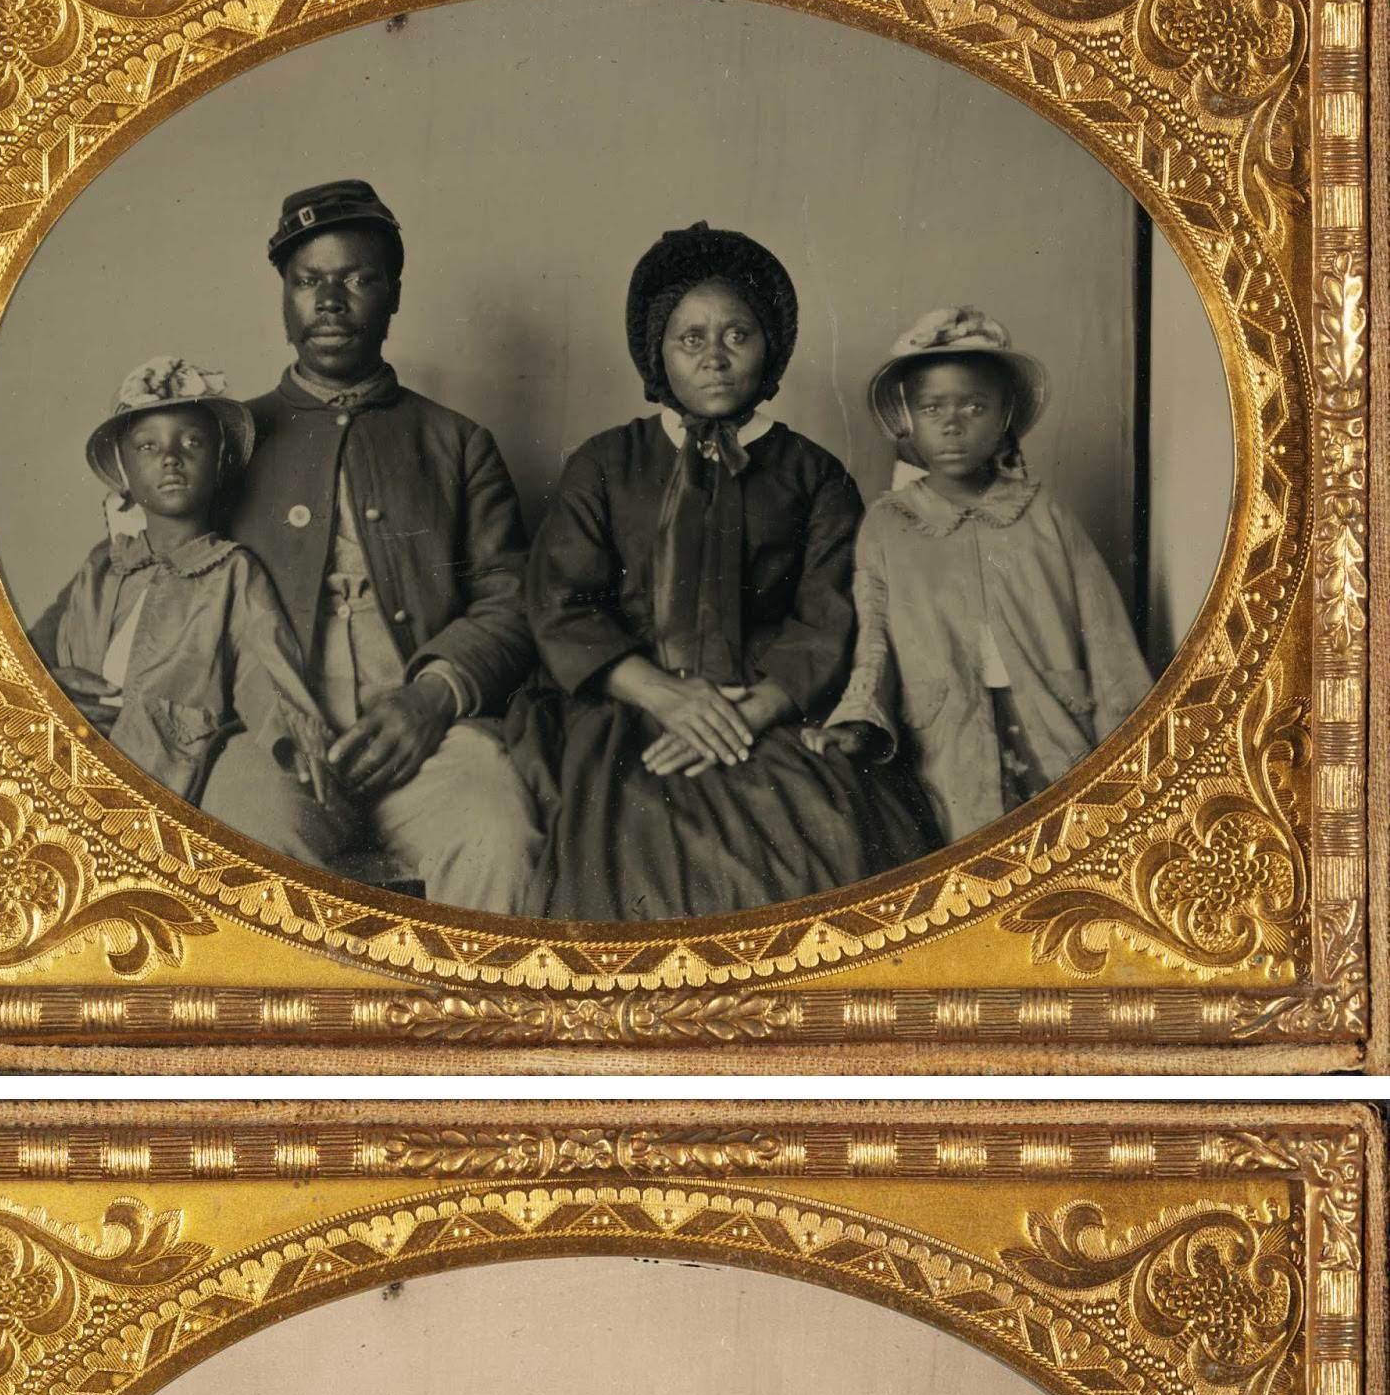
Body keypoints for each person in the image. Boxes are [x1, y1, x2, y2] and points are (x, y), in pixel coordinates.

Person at [512, 223, 941, 920]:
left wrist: (754, 710)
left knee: (828, 843)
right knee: (630, 861)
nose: (715, 358)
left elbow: (831, 612)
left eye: (738, 336)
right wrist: (664, 695)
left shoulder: (813, 475)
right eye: (692, 339)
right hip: (629, 705)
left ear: (770, 346)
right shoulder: (603, 464)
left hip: (767, 706)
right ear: (658, 350)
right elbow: (562, 606)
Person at [227, 180, 545, 908]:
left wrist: (431, 699)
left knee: (498, 835)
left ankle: (481, 1025)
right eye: (310, 281)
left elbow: (513, 598)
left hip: (431, 736)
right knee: (248, 844)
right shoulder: (228, 440)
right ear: (284, 295)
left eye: (359, 279)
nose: (331, 301)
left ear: (394, 295)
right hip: (272, 734)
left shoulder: (457, 443)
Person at [810, 308, 1155, 844]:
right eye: (932, 408)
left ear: (1003, 420)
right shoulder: (887, 524)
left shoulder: (1044, 515)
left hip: (1054, 722)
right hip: (947, 732)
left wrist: (1133, 743)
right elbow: (874, 638)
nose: (952, 424)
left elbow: (1105, 633)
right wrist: (858, 717)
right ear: (909, 420)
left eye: (975, 406)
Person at [27, 358, 357, 865]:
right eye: (148, 447)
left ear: (221, 464)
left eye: (192, 443)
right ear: (124, 473)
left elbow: (264, 669)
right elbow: (37, 653)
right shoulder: (105, 564)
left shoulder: (230, 571)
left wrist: (294, 738)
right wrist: (53, 684)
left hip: (168, 766)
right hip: (77, 758)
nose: (172, 459)